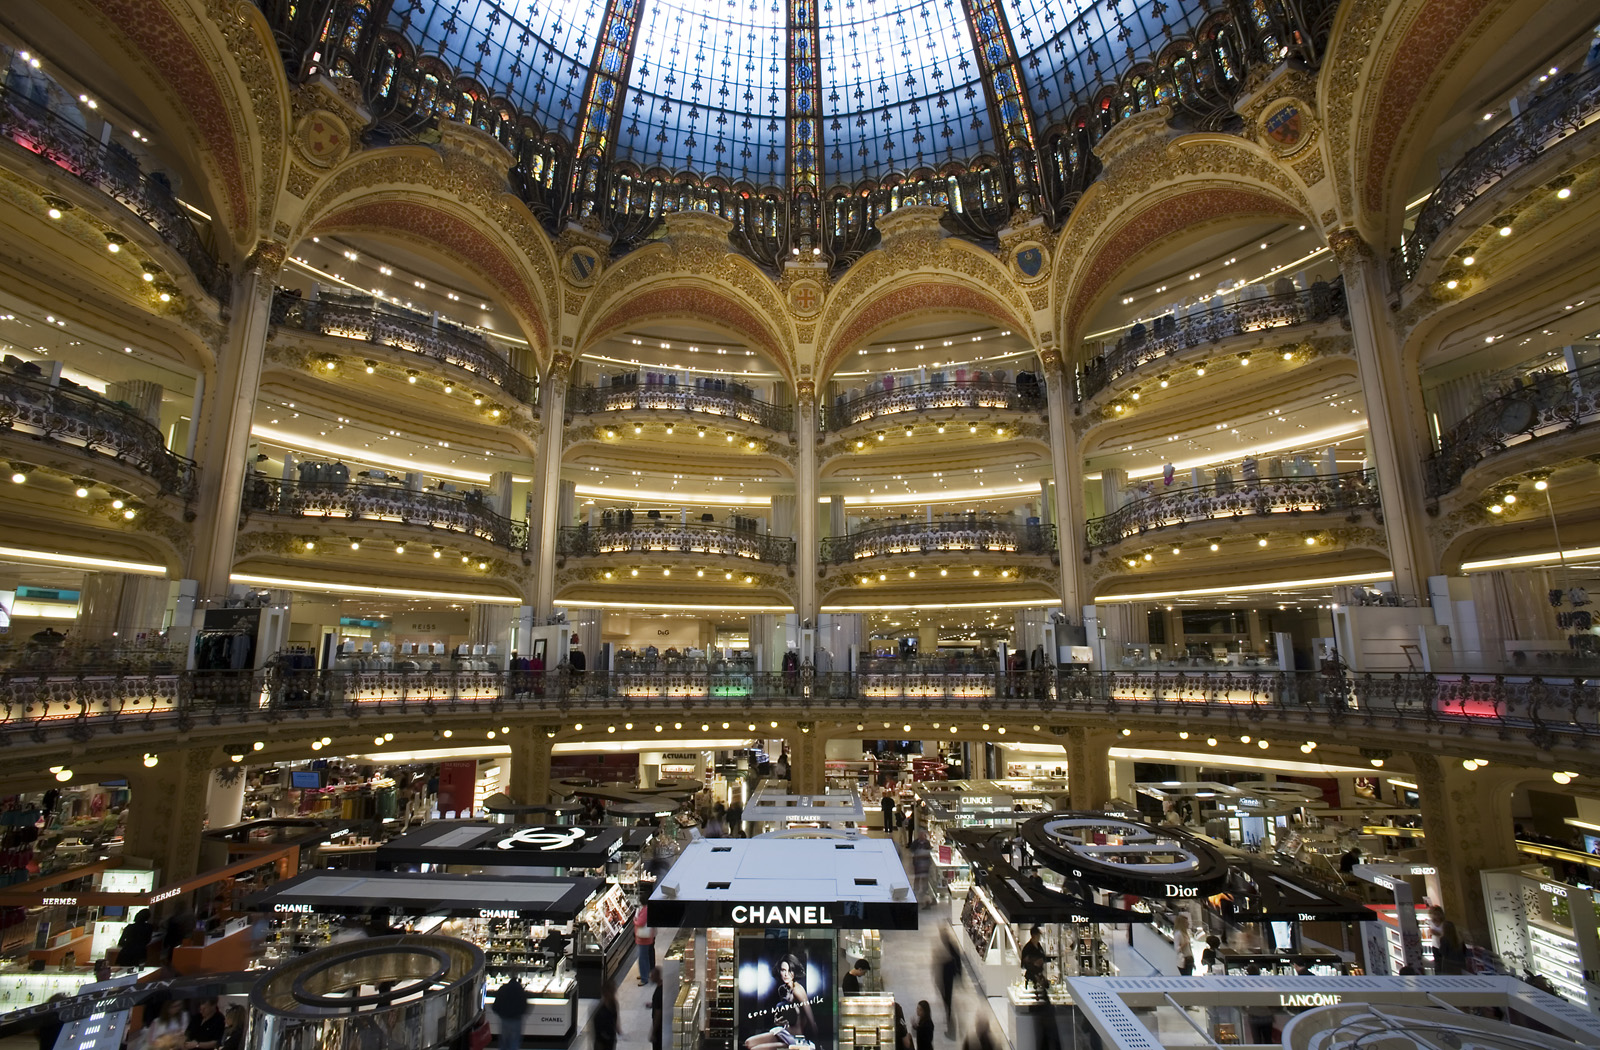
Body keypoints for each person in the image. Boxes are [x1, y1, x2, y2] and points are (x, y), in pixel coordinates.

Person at [743, 953, 817, 1050]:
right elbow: (787, 1015)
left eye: (790, 970)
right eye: (783, 970)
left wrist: (817, 1042)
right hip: (784, 1032)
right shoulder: (783, 989)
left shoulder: (798, 990)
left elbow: (811, 1020)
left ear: (795, 971)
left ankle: (789, 1047)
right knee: (748, 1043)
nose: (786, 974)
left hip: (795, 1039)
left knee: (755, 1049)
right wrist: (778, 1021)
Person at [936, 927, 961, 1035]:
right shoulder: (948, 946)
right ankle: (949, 1016)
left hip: (948, 978)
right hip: (946, 977)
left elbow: (956, 960)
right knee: (947, 999)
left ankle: (950, 1020)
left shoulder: (950, 947)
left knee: (948, 999)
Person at [493, 975, 529, 1050]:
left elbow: (495, 1006)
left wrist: (500, 1014)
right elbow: (524, 1005)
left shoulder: (503, 988)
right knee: (514, 1043)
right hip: (516, 1020)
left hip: (505, 1020)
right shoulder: (520, 990)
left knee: (504, 1044)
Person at [1429, 905, 1467, 974]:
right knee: (1438, 963)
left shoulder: (1444, 925)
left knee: (1444, 962)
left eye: (1438, 914)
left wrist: (1439, 934)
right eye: (1434, 914)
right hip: (1436, 945)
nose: (1436, 916)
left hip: (1444, 946)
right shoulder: (1431, 923)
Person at [1243, 964, 1274, 1043]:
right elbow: (1273, 999)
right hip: (1267, 1017)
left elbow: (1242, 1000)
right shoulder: (1266, 984)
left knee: (1257, 1041)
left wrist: (1246, 1010)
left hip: (1254, 1017)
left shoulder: (1247, 985)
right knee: (1268, 1040)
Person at [593, 982, 621, 1050]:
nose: (614, 994)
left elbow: (616, 1017)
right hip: (602, 1043)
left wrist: (617, 1029)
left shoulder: (614, 1003)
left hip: (611, 1039)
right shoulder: (600, 1012)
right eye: (612, 992)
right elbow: (599, 1033)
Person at [634, 903, 656, 986]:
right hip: (647, 937)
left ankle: (644, 978)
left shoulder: (645, 910)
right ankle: (646, 974)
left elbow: (640, 922)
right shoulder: (648, 908)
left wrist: (635, 920)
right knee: (645, 957)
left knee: (642, 958)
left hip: (644, 939)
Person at [910, 830, 933, 908]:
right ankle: (916, 890)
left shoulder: (927, 843)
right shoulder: (915, 842)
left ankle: (924, 890)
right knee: (917, 878)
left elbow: (929, 851)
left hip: (925, 865)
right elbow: (912, 850)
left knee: (924, 878)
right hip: (917, 865)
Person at [649, 967, 664, 1050]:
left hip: (659, 1028)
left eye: (652, 976)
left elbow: (658, 1014)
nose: (650, 978)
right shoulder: (662, 987)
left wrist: (653, 1032)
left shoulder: (658, 993)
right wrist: (653, 1004)